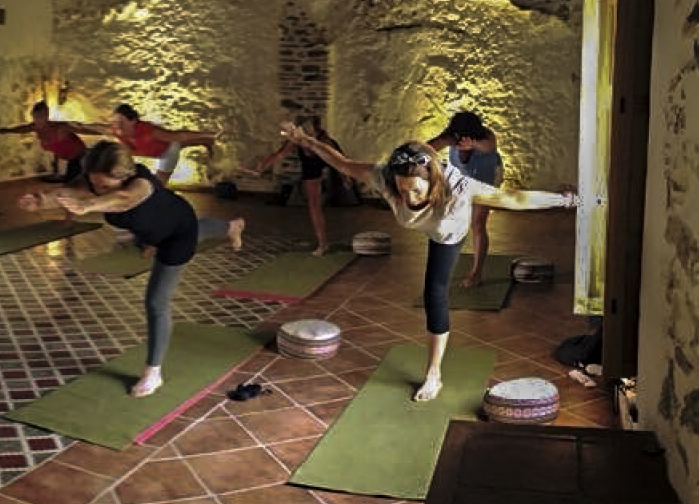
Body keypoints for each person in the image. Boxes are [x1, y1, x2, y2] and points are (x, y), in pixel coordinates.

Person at [278, 121, 578, 403]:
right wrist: (305, 140)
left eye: (416, 190)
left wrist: (566, 201)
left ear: (432, 182)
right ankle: (433, 371)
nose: (408, 196)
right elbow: (342, 162)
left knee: (435, 293)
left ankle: (433, 373)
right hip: (429, 225)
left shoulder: (459, 189)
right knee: (431, 288)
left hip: (447, 233)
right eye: (402, 188)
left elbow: (514, 199)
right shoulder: (384, 178)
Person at [18, 140, 245, 398]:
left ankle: (153, 373)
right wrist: (40, 200)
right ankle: (231, 227)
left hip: (175, 232)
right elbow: (68, 191)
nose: (97, 189)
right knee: (196, 232)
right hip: (149, 231)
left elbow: (124, 201)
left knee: (157, 301)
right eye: (94, 184)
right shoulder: (95, 180)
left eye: (104, 186)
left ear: (124, 176)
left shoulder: (140, 185)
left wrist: (88, 205)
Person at [243, 115, 344, 255]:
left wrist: (345, 177)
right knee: (313, 204)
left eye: (308, 130)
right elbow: (280, 154)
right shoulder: (297, 139)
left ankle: (323, 243)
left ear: (314, 130)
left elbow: (341, 162)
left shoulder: (326, 141)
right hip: (311, 168)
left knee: (321, 198)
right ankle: (323, 243)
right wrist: (262, 167)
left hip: (326, 162)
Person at [426, 111, 504, 288]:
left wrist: (473, 144)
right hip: (460, 182)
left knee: (477, 224)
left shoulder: (486, 137)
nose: (460, 140)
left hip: (485, 180)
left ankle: (476, 272)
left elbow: (489, 147)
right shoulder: (452, 137)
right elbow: (428, 147)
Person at [96, 104, 220, 187]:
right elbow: (86, 127)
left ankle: (206, 140)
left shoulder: (150, 131)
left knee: (159, 184)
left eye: (121, 122)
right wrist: (76, 127)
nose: (118, 125)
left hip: (167, 151)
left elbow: (178, 136)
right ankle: (205, 141)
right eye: (115, 122)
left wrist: (210, 134)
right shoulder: (115, 130)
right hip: (151, 150)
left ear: (133, 121)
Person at [0, 100, 89, 183]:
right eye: (36, 117)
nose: (38, 120)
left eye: (41, 116)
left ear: (47, 116)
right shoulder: (35, 127)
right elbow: (22, 129)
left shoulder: (59, 128)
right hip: (70, 159)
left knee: (73, 184)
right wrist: (7, 130)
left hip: (81, 157)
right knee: (69, 182)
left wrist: (101, 131)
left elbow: (81, 129)